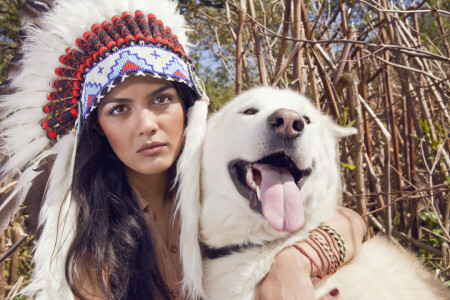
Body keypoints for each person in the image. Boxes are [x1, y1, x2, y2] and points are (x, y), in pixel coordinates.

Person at [0, 0, 365, 299]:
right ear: (99, 127)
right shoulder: (90, 236)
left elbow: (350, 222)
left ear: (187, 107)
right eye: (119, 109)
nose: (146, 125)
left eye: (161, 99)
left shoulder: (217, 176)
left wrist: (295, 263)